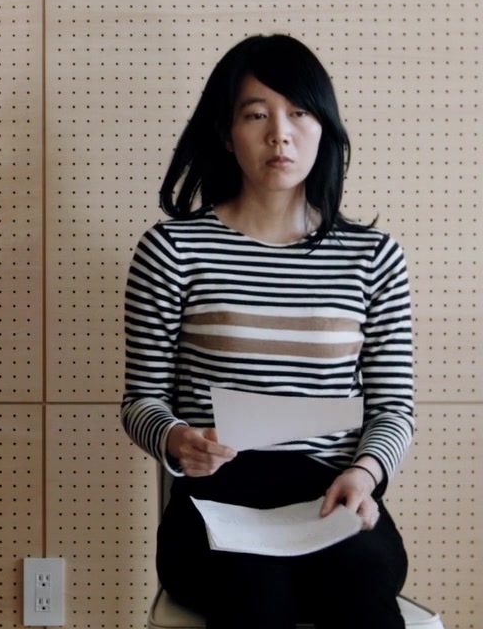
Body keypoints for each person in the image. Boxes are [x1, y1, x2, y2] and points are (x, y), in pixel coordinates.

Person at [121, 34, 414, 629]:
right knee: (255, 596)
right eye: (256, 115)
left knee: (361, 587)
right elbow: (141, 401)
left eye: (299, 113)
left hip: (330, 495)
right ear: (227, 134)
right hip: (216, 501)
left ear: (323, 128)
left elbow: (393, 409)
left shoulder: (372, 256)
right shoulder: (172, 250)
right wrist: (177, 439)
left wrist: (363, 474)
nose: (280, 134)